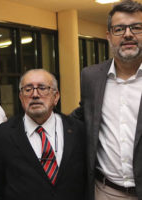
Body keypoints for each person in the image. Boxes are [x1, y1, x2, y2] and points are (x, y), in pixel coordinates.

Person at [71, 1, 142, 199]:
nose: (128, 34)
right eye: (119, 29)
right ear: (109, 36)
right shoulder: (91, 77)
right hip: (106, 191)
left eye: (136, 27)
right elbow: (82, 116)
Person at [0, 69, 86, 200]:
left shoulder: (78, 131)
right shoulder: (3, 134)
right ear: (20, 97)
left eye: (42, 88)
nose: (35, 94)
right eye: (28, 89)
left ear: (56, 96)